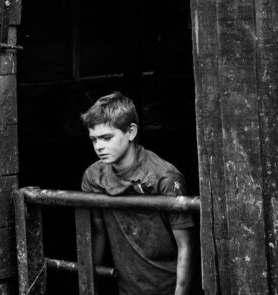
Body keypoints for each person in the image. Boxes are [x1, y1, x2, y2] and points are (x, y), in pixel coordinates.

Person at [80, 92, 195, 295]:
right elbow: (97, 232)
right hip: (126, 287)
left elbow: (186, 245)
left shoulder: (163, 177)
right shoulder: (94, 176)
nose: (99, 146)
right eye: (94, 139)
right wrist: (89, 286)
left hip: (168, 287)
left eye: (106, 138)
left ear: (131, 132)